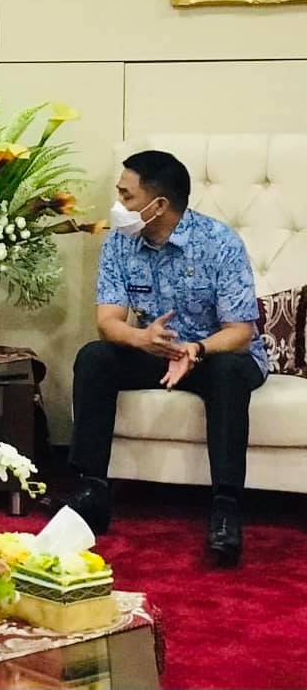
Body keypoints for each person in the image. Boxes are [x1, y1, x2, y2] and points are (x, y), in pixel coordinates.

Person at [65, 151, 268, 566]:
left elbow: (240, 332)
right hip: (157, 350)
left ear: (158, 205)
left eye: (127, 196)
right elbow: (108, 321)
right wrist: (142, 338)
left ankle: (225, 508)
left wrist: (197, 350)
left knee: (229, 372)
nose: (118, 205)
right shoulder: (121, 242)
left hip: (215, 352)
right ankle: (91, 491)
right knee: (94, 358)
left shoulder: (219, 242)